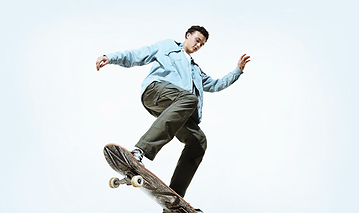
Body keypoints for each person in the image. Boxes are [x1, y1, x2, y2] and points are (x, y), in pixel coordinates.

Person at [96, 25, 250, 200]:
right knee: (191, 99)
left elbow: (215, 85)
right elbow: (139, 54)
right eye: (197, 40)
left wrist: (237, 71)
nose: (198, 45)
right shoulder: (168, 46)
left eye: (202, 45)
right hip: (155, 91)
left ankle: (175, 196)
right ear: (188, 35)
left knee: (199, 140)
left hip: (178, 106)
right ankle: (140, 151)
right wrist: (111, 57)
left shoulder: (196, 71)